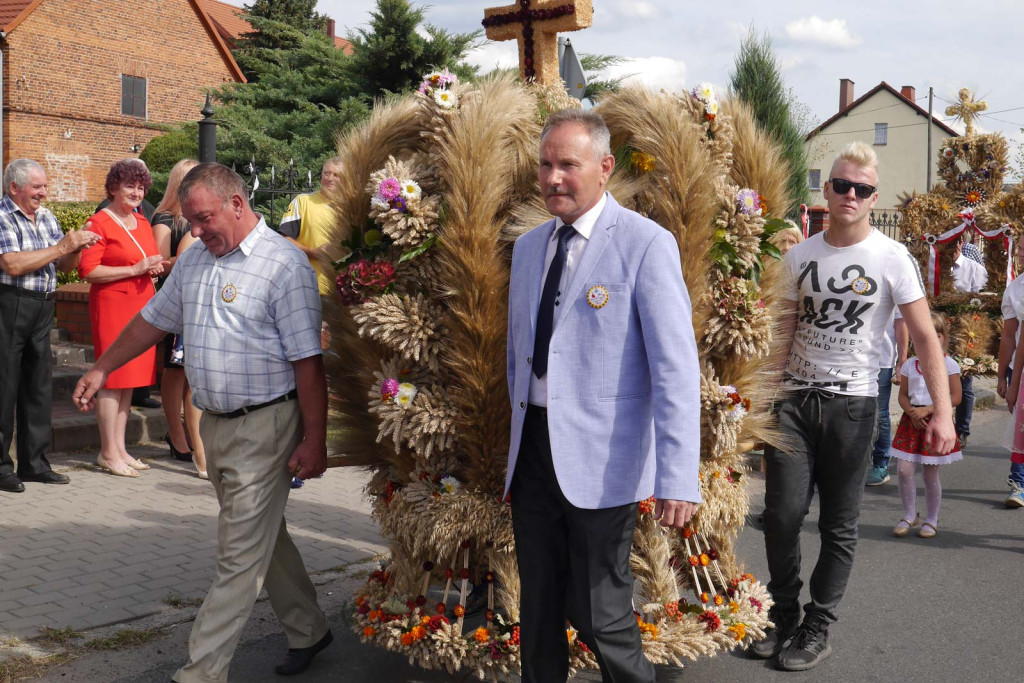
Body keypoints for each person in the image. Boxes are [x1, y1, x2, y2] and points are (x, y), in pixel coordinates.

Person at [73, 163, 332, 681]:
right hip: (214, 427)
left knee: (238, 556)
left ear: (237, 204)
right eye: (190, 221)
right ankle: (309, 629)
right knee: (263, 536)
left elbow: (308, 361)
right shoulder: (196, 262)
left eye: (204, 218)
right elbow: (152, 320)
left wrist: (315, 439)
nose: (196, 230)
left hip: (267, 426)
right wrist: (103, 367)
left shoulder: (284, 266)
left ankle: (199, 673)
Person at [505, 109, 701, 683]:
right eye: (545, 165)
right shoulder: (528, 248)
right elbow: (521, 353)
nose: (553, 178)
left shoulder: (645, 245)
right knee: (537, 605)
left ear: (605, 168)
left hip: (605, 460)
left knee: (600, 610)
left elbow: (674, 369)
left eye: (568, 164)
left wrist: (677, 475)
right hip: (534, 452)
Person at [751, 142, 955, 671]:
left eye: (862, 189)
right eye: (842, 185)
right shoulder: (800, 257)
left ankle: (819, 622)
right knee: (781, 515)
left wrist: (944, 413)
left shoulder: (891, 258)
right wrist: (760, 404)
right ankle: (784, 613)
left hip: (855, 406)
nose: (850, 195)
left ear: (872, 198)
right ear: (827, 190)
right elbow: (783, 333)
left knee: (839, 523)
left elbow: (926, 337)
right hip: (795, 401)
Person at [0, 159, 100, 493]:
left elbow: (64, 262)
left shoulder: (46, 217)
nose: (44, 193)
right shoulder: (2, 216)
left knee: (38, 388)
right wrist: (60, 247)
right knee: (5, 387)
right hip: (11, 304)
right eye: (37, 187)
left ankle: (35, 464)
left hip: (44, 307)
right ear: (15, 188)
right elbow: (12, 264)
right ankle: (1, 468)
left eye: (44, 186)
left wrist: (75, 248)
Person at [78, 160, 164, 478]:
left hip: (140, 305)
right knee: (112, 381)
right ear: (113, 187)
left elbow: (146, 259)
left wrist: (153, 267)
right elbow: (88, 271)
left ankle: (120, 448)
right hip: (113, 307)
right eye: (130, 186)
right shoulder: (98, 223)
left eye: (141, 187)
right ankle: (107, 452)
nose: (136, 193)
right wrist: (135, 270)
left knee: (128, 383)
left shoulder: (142, 221)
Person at [151, 158, 206, 479]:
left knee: (186, 373)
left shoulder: (197, 217)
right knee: (176, 372)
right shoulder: (166, 218)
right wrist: (186, 253)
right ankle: (177, 435)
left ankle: (190, 438)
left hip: (195, 304)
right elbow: (157, 263)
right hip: (176, 303)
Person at [890, 312, 963, 538]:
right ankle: (910, 514)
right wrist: (911, 411)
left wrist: (929, 409)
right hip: (912, 421)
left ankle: (932, 519)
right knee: (903, 470)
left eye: (937, 335)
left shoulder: (949, 364)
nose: (932, 339)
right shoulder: (910, 365)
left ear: (944, 338)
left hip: (935, 420)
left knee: (930, 474)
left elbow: (955, 396)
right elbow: (903, 395)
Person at [278, 157, 342, 296]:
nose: (329, 178)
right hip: (308, 288)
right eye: (326, 173)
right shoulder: (302, 202)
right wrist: (312, 252)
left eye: (336, 175)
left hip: (342, 292)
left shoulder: (352, 208)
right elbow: (283, 240)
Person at [951, 233, 986, 448]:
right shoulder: (933, 266)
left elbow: (981, 302)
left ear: (961, 243)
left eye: (954, 242)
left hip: (965, 330)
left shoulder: (974, 268)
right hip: (938, 329)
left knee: (964, 379)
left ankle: (962, 429)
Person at [865, 313, 908, 486]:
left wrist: (902, 359)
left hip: (881, 359)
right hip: (848, 358)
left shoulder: (894, 284)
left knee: (879, 413)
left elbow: (901, 322)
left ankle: (880, 465)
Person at [998, 240, 1024, 508]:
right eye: (1020, 249)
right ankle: (1019, 482)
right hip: (1022, 367)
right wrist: (1002, 376)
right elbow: (1010, 336)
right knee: (1021, 425)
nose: (1022, 254)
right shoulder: (1016, 290)